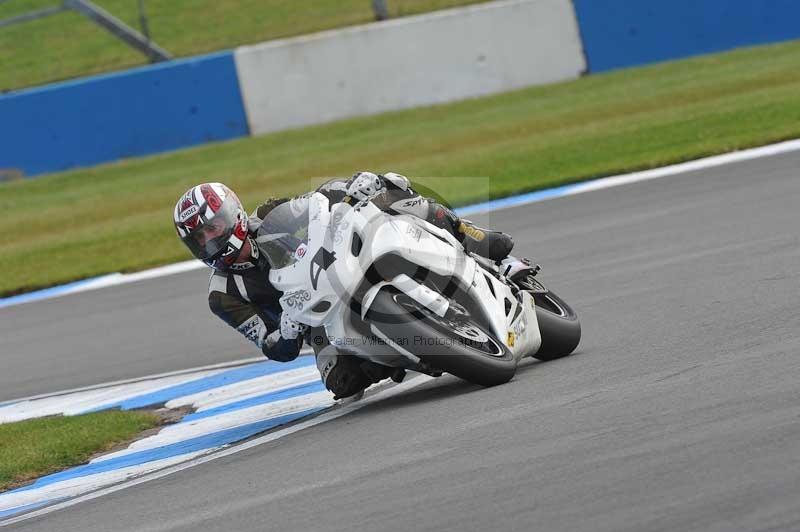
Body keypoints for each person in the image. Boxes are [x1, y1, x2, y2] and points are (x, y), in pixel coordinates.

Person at [173, 172, 515, 398]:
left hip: (344, 267)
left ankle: (471, 236)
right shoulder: (223, 295)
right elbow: (272, 347)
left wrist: (355, 186)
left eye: (212, 227)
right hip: (318, 324)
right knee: (341, 383)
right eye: (199, 238)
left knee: (391, 193)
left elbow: (322, 201)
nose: (209, 240)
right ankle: (407, 351)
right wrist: (288, 332)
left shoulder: (270, 213)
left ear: (232, 213)